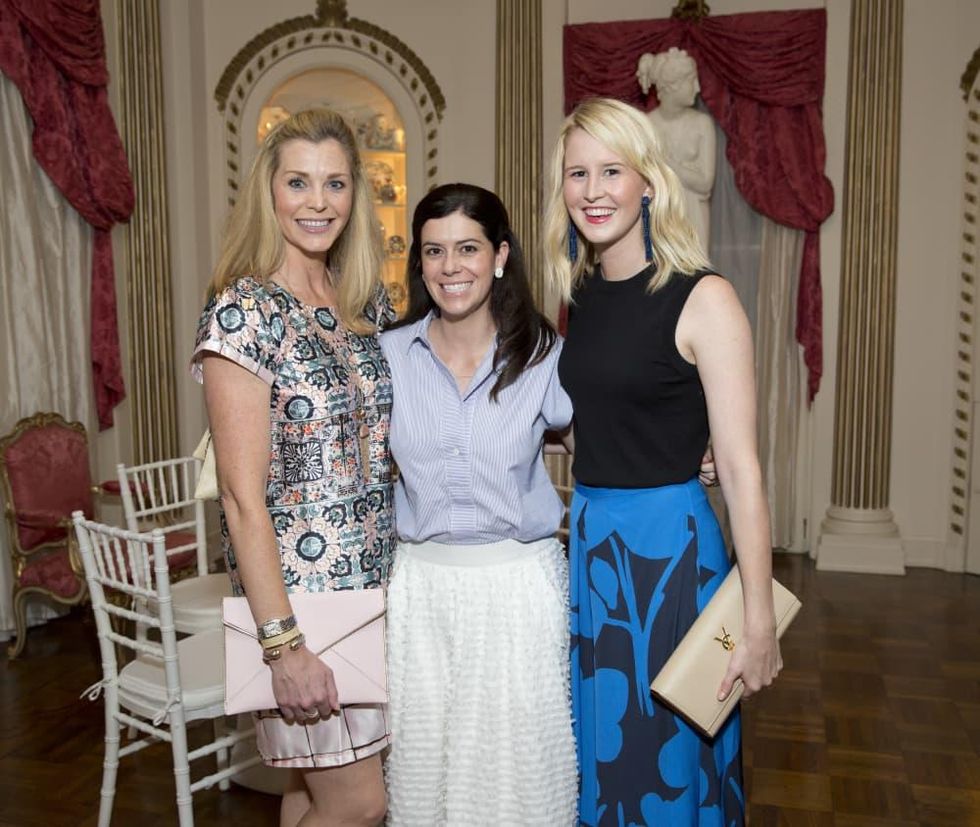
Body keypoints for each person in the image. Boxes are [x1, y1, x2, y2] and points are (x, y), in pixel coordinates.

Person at [543, 97, 781, 826]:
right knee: (605, 752)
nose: (593, 190)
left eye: (611, 171)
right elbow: (600, 424)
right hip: (593, 545)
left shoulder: (705, 297)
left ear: (648, 182)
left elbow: (741, 468)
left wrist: (760, 618)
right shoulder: (580, 293)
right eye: (578, 173)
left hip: (671, 556)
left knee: (669, 761)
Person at [192, 108, 394, 827]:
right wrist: (282, 646)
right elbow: (240, 498)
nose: (318, 202)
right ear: (268, 191)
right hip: (302, 606)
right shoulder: (244, 310)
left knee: (310, 795)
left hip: (373, 591)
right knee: (361, 804)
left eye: (335, 183)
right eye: (299, 182)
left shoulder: (362, 301)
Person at [380, 183, 578, 825]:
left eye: (468, 248)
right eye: (434, 251)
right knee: (426, 780)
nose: (450, 267)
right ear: (419, 263)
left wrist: (691, 454)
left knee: (517, 782)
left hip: (517, 591)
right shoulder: (388, 356)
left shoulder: (544, 356)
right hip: (421, 593)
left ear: (500, 256)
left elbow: (605, 444)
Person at [636, 48, 716, 248]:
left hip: (693, 217)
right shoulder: (646, 125)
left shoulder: (702, 124)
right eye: (691, 81)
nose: (697, 88)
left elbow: (705, 183)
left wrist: (666, 162)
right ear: (672, 86)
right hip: (658, 215)